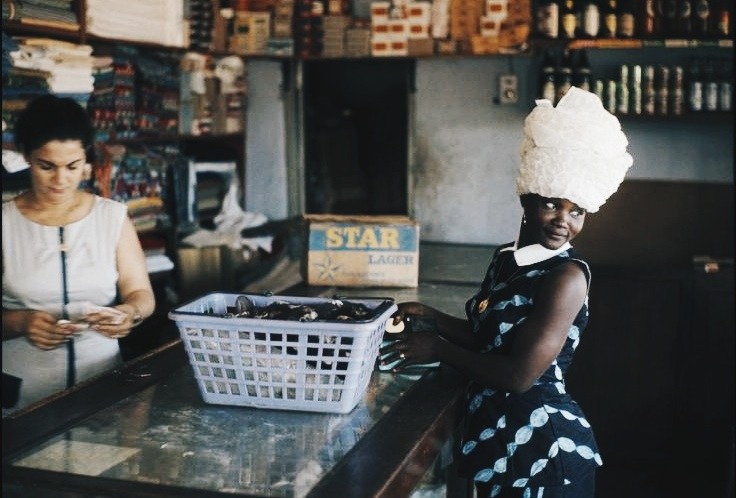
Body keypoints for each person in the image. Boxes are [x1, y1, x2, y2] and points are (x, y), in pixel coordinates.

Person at [380, 86, 633, 498]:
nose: (562, 221)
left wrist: (438, 348)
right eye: (552, 204)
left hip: (544, 453)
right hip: (500, 442)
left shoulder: (566, 277)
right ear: (527, 199)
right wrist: (432, 317)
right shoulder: (506, 258)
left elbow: (518, 375)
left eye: (577, 211)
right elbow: (491, 340)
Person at [2, 94, 156, 415]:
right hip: (22, 399)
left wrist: (129, 313)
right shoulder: (4, 223)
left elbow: (141, 293)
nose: (61, 180)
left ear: (86, 158)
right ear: (27, 157)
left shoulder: (111, 217)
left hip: (101, 386)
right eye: (47, 166)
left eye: (72, 166)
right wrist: (20, 322)